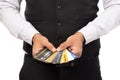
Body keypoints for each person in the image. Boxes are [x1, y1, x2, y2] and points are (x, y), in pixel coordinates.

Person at [0, 0, 120, 80]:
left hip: (85, 67)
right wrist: (33, 36)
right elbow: (6, 5)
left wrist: (83, 35)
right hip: (35, 67)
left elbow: (116, 5)